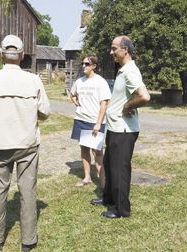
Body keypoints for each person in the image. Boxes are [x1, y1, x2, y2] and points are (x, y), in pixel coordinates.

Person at [0, 34, 50, 252]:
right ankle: (29, 240)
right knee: (28, 192)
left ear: (0, 55)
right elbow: (45, 111)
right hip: (27, 145)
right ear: (22, 55)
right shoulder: (33, 80)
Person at [91, 35, 150, 218]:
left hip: (124, 131)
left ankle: (121, 209)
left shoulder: (131, 71)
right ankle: (109, 198)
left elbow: (144, 96)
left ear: (125, 50)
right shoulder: (123, 70)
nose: (111, 52)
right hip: (115, 128)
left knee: (119, 169)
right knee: (109, 164)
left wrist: (128, 106)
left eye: (114, 48)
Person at [70, 55, 111, 189]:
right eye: (83, 64)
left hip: (95, 122)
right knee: (84, 149)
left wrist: (98, 123)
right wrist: (76, 102)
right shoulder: (79, 82)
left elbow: (104, 103)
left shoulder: (100, 82)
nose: (84, 66)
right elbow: (72, 93)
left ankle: (103, 182)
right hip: (81, 119)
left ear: (94, 66)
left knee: (97, 152)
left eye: (87, 64)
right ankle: (87, 177)